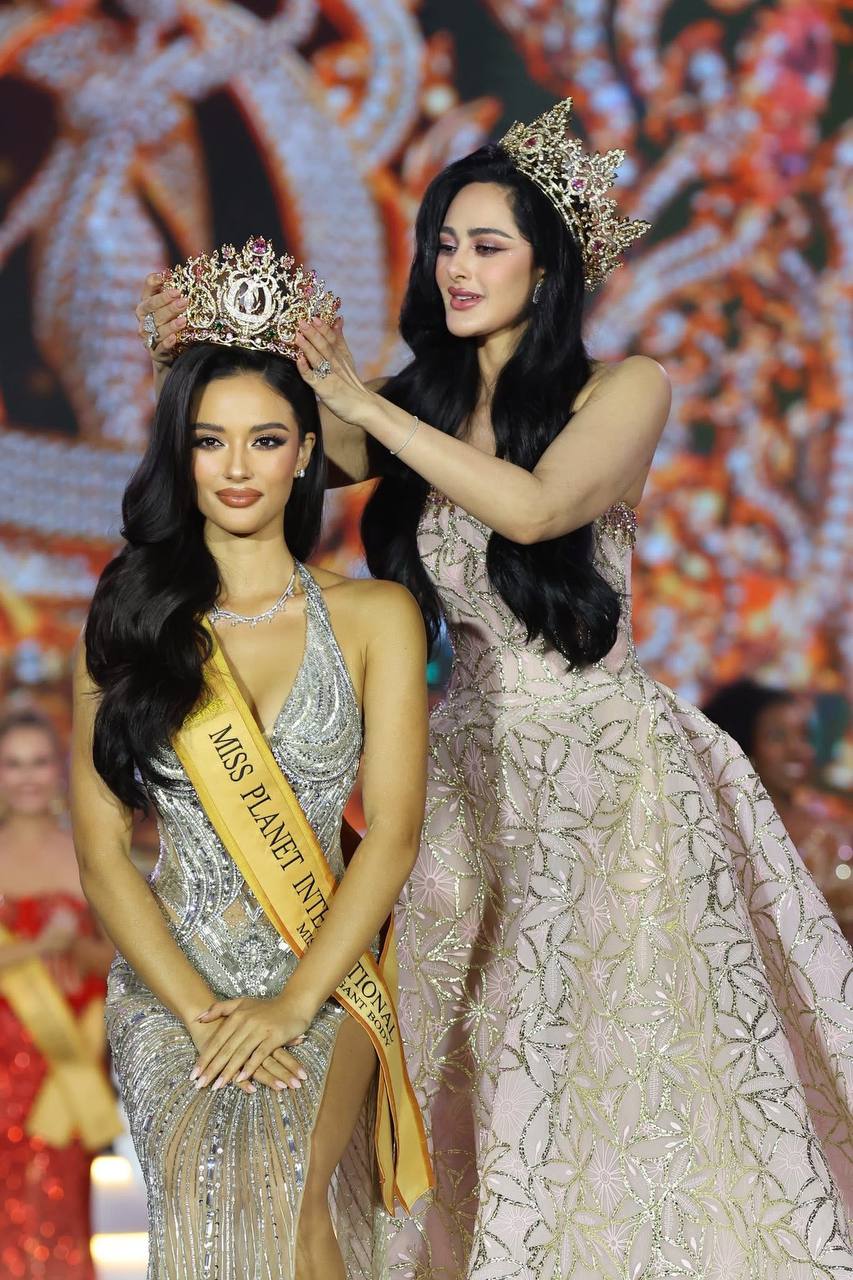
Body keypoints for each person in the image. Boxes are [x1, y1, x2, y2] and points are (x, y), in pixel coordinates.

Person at [137, 102, 853, 1277]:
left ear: (546, 267)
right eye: (444, 244)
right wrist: (183, 360)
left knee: (609, 1050)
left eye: (487, 244)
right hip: (459, 771)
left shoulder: (625, 385)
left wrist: (367, 403)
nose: (456, 267)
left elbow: (534, 507)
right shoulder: (417, 402)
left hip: (606, 778)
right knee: (457, 1052)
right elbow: (267, 455)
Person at [72, 240, 431, 1280]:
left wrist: (290, 1003)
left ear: (306, 453)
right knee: (202, 1206)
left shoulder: (376, 616)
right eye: (209, 440)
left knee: (287, 1198)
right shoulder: (126, 620)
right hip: (170, 983)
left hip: (321, 971)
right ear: (179, 454)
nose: (236, 468)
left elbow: (392, 834)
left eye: (265, 440)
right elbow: (102, 852)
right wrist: (198, 1012)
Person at [0, 707, 118, 1280]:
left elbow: (121, 958)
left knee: (59, 1202)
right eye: (13, 763)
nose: (27, 775)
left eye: (39, 761)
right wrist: (39, 945)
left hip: (65, 1061)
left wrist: (78, 952)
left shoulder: (89, 853)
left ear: (60, 768)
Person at [704, 678, 853, 941]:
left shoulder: (833, 838)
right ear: (742, 747)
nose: (797, 750)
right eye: (777, 736)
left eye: (804, 736)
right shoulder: (714, 836)